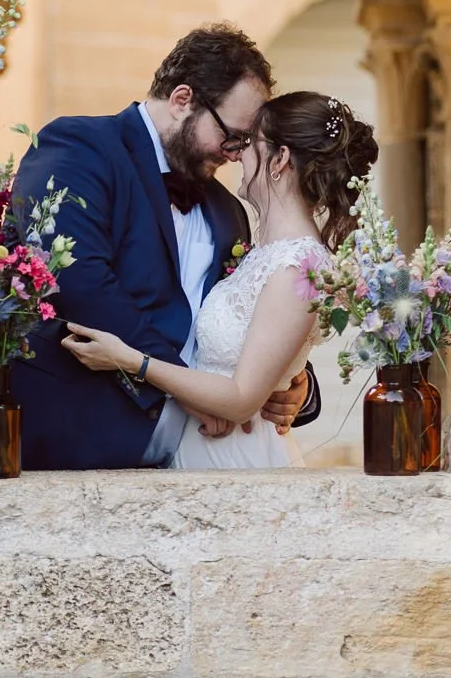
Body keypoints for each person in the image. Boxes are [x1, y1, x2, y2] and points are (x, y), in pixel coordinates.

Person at [0, 26, 323, 470]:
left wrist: (293, 381)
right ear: (183, 100)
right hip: (72, 439)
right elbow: (77, 278)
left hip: (206, 448)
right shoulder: (78, 147)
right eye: (231, 135)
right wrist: (177, 384)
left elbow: (246, 314)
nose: (237, 155)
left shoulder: (227, 210)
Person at [63, 89, 378, 469]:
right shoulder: (262, 249)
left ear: (279, 160)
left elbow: (243, 395)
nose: (238, 154)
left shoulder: (298, 265)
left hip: (237, 454)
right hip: (195, 449)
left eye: (249, 143)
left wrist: (132, 360)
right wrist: (290, 377)